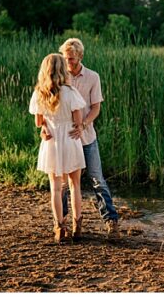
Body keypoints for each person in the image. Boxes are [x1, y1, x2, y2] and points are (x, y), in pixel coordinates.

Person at [59, 38, 120, 235]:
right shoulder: (59, 77)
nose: (68, 63)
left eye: (72, 59)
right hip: (65, 138)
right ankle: (64, 222)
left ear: (81, 56)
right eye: (65, 59)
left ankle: (111, 221)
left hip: (86, 137)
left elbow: (96, 107)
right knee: (63, 184)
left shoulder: (93, 77)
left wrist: (83, 124)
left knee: (97, 178)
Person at [30, 52, 87, 242]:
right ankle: (77, 227)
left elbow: (39, 122)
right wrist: (78, 129)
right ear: (63, 69)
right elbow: (78, 121)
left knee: (55, 187)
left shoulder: (40, 93)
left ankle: (59, 228)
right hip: (70, 139)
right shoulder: (71, 93)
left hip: (52, 141)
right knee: (75, 185)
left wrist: (45, 128)